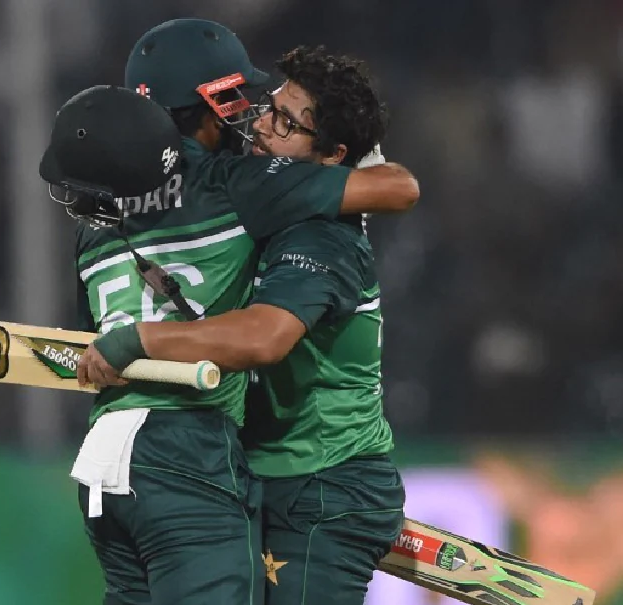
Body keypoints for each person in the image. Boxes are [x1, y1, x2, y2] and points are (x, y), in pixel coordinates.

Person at [46, 19, 417, 605]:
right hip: (219, 462)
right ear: (209, 102)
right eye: (262, 105)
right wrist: (362, 164)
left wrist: (136, 340)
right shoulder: (244, 185)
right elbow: (400, 189)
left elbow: (97, 336)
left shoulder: (101, 221)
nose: (260, 121)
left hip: (308, 480)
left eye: (285, 120)